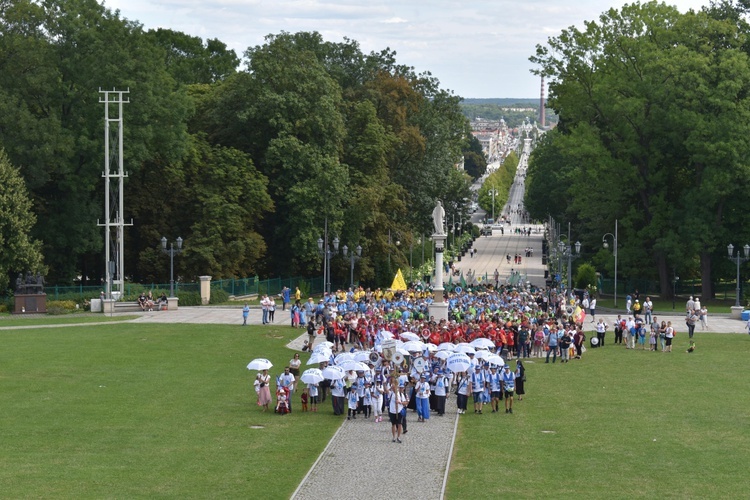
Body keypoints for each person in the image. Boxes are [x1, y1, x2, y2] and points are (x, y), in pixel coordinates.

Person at [388, 379, 404, 443]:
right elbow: (386, 391)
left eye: (394, 387)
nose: (393, 388)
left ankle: (398, 437)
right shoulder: (391, 393)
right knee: (393, 424)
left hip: (399, 411)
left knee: (399, 424)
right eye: (392, 387)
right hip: (392, 411)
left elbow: (405, 402)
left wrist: (400, 402)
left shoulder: (400, 394)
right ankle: (394, 437)